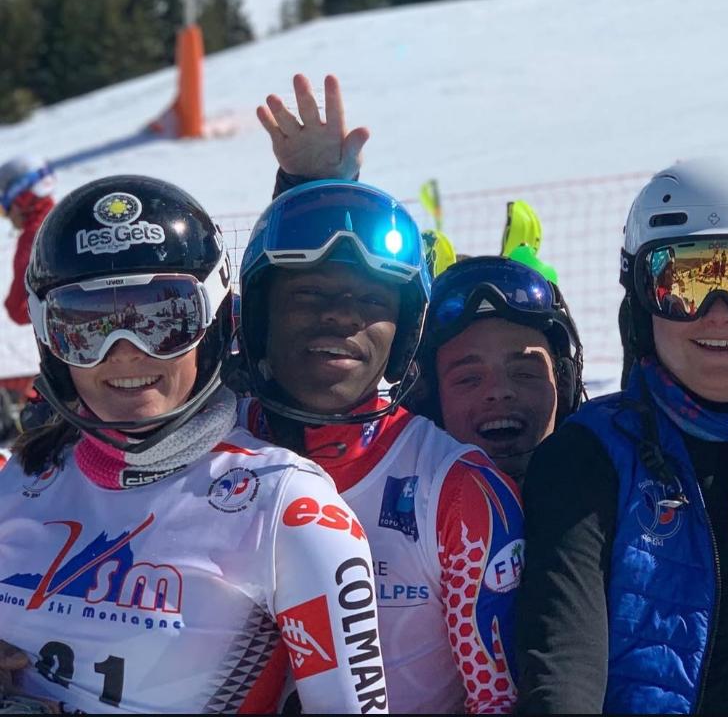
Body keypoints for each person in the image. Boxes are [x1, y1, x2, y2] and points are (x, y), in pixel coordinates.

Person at [0, 174, 387, 715]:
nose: (126, 351)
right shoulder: (21, 478)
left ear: (213, 322)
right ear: (50, 344)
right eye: (86, 328)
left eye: (163, 320)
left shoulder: (287, 507)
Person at [517, 157, 728, 715]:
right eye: (684, 283)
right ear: (641, 302)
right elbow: (563, 670)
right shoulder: (589, 456)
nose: (719, 315)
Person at [236, 74, 524, 714]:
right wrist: (307, 187)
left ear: (402, 335)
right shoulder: (207, 447)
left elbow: (498, 701)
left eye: (371, 302)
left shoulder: (456, 490)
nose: (340, 317)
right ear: (261, 319)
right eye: (309, 296)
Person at [414, 252, 584, 485]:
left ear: (564, 385)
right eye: (469, 378)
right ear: (430, 401)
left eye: (524, 373)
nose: (499, 391)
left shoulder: (617, 488)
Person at [0, 154, 56, 325]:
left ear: (20, 199)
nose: (7, 216)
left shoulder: (32, 239)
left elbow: (18, 308)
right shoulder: (67, 217)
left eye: (4, 207)